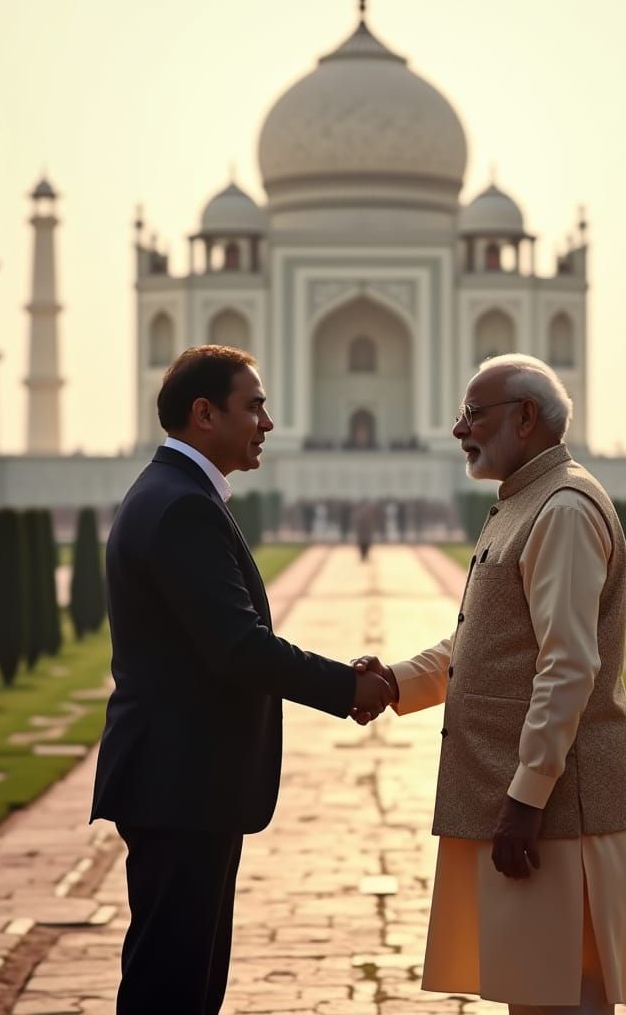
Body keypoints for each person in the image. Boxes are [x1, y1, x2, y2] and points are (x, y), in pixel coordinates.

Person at [90, 345, 394, 1014]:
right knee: (172, 984)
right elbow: (238, 648)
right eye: (252, 406)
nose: (267, 422)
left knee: (184, 978)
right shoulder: (182, 508)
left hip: (184, 782)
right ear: (205, 414)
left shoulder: (174, 494)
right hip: (182, 782)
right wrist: (350, 688)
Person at [355, 353, 626, 1014]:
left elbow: (569, 664)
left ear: (524, 417)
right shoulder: (526, 502)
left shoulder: (563, 509)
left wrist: (528, 795)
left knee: (563, 997)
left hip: (558, 809)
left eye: (473, 414)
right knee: (535, 994)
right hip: (529, 799)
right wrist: (396, 683)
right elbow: (481, 647)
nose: (460, 429)